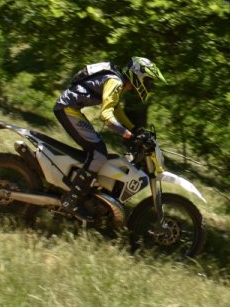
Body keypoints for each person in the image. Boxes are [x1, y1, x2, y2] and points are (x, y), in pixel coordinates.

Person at [53, 56, 166, 214]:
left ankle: (84, 188)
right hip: (67, 109)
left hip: (70, 108)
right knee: (99, 154)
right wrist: (129, 135)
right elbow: (106, 115)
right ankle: (71, 199)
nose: (149, 85)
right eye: (148, 80)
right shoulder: (116, 82)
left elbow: (116, 108)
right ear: (138, 76)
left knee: (98, 151)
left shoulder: (119, 82)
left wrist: (134, 129)